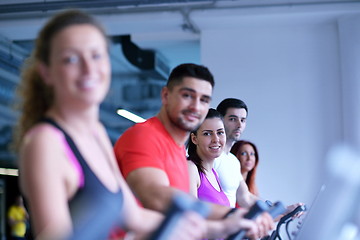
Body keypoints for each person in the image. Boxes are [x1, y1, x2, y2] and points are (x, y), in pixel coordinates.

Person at [14, 10, 205, 240]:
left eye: (96, 55)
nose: (89, 69)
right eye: (71, 59)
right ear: (46, 73)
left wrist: (211, 227)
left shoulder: (97, 133)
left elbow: (134, 216)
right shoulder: (44, 143)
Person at [114, 63, 274, 239]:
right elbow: (156, 195)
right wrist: (229, 214)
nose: (196, 106)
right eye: (187, 96)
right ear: (166, 95)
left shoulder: (178, 150)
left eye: (204, 100)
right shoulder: (144, 136)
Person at [187, 108, 230, 207]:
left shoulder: (214, 173)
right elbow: (189, 215)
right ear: (194, 139)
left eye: (220, 132)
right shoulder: (190, 168)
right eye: (207, 134)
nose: (216, 139)